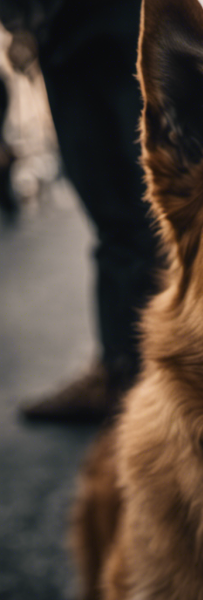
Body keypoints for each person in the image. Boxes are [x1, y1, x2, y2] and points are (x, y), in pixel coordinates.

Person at [0, 0, 161, 421]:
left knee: (145, 208)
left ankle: (145, 379)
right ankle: (124, 371)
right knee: (117, 217)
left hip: (112, 21)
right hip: (59, 33)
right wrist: (20, 24)